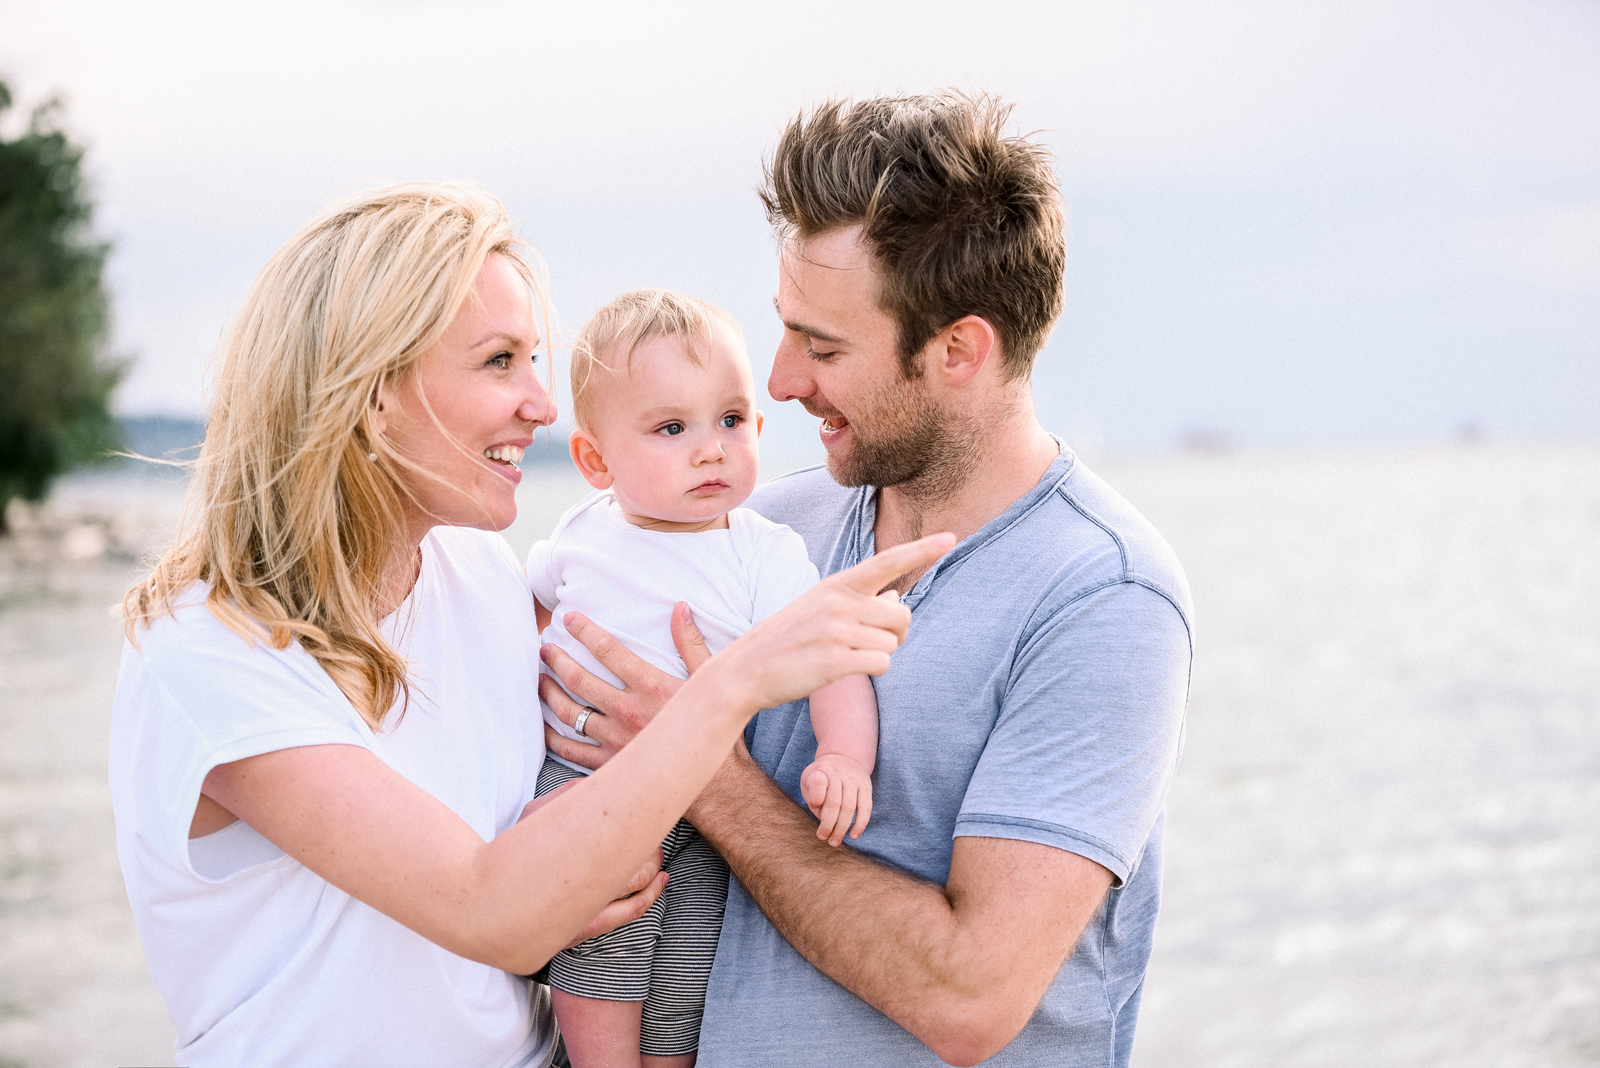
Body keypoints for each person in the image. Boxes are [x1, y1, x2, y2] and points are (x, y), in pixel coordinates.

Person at [108, 182, 949, 1068]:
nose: (543, 405)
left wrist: (567, 889)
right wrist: (733, 682)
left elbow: (530, 869)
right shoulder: (211, 649)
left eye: (534, 360)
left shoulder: (479, 576)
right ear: (370, 389)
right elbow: (488, 907)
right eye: (500, 361)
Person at [539, 91, 1193, 1067]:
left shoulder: (1102, 598)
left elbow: (968, 999)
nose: (779, 382)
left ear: (958, 351)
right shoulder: (756, 527)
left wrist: (697, 764)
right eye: (786, 329)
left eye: (824, 345)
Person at [527, 289, 879, 1066]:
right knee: (605, 953)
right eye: (671, 428)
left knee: (688, 970)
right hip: (585, 781)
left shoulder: (765, 553)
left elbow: (834, 660)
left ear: (756, 427)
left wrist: (844, 755)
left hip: (707, 810)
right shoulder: (581, 534)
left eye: (730, 420)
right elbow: (527, 608)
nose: (711, 448)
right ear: (595, 460)